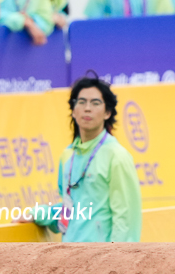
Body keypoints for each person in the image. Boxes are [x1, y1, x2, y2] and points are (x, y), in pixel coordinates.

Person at [33, 76, 142, 243]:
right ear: (73, 110)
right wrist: (37, 214)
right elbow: (69, 211)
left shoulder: (117, 156)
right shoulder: (67, 155)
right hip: (70, 260)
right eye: (81, 102)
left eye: (96, 103)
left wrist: (116, 263)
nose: (87, 108)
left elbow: (126, 220)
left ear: (108, 112)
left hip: (103, 262)